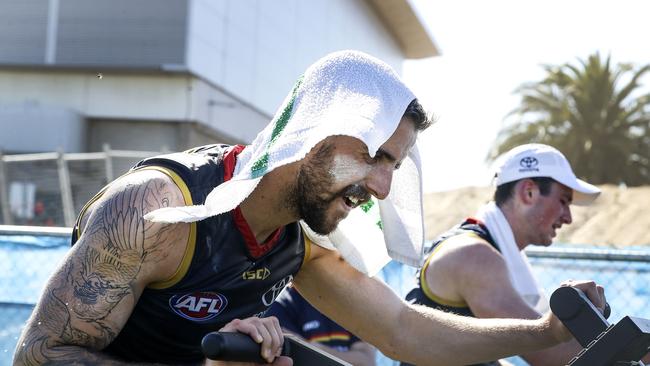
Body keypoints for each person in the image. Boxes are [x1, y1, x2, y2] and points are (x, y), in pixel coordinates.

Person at [14, 51, 606, 366]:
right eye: (374, 155)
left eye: (394, 166)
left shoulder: (297, 239)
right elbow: (38, 357)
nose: (379, 187)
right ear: (319, 131)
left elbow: (404, 332)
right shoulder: (159, 209)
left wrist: (544, 331)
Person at [402, 144, 601, 366]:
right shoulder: (474, 255)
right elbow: (551, 354)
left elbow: (481, 357)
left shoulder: (484, 247)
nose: (568, 218)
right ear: (529, 192)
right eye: (564, 201)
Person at [265, 286, 376, 366]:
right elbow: (295, 355)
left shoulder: (353, 303)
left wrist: (316, 348)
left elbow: (367, 361)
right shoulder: (281, 303)